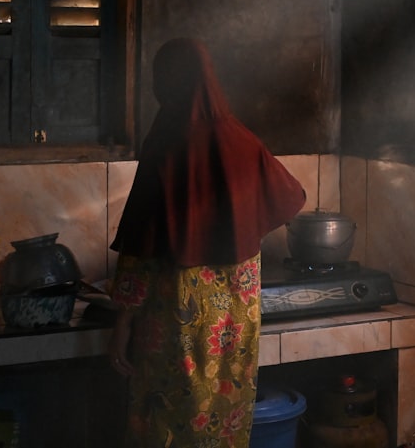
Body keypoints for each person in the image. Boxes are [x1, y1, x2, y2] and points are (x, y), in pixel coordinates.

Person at [108, 37, 306, 448]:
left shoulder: (166, 141)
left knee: (172, 421)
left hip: (180, 315)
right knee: (226, 419)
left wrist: (123, 323)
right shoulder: (241, 139)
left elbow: (140, 247)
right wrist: (238, 226)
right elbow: (290, 197)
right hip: (238, 314)